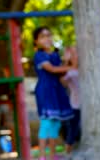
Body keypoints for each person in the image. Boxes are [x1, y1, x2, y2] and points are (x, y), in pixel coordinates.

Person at [33, 27, 75, 160]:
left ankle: (52, 156)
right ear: (36, 41)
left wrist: (67, 61)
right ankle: (41, 156)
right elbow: (52, 69)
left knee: (56, 123)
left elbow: (61, 72)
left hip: (57, 91)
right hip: (46, 92)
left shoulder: (55, 55)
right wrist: (72, 66)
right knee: (46, 123)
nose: (47, 39)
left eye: (49, 35)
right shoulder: (39, 56)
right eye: (43, 36)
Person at [60, 46, 81, 154]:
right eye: (72, 55)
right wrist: (65, 61)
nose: (75, 57)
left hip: (88, 105)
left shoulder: (86, 69)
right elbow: (62, 82)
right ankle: (67, 152)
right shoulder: (69, 71)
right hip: (76, 104)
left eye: (76, 53)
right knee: (73, 128)